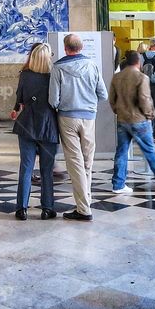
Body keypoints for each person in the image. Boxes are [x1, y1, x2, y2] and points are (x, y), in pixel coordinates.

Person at [49, 33, 108, 221]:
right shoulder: (92, 65)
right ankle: (85, 203)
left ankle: (84, 209)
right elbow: (103, 94)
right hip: (89, 117)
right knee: (87, 162)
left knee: (74, 162)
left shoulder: (58, 67)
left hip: (67, 117)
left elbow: (53, 100)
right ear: (81, 48)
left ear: (66, 48)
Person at [109, 51, 155, 194]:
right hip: (139, 120)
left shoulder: (117, 77)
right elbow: (145, 99)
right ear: (138, 62)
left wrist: (118, 110)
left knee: (121, 152)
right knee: (149, 150)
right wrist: (150, 114)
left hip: (122, 119)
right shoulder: (141, 77)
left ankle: (118, 184)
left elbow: (112, 99)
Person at [10, 43, 58, 220]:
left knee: (26, 168)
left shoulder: (25, 75)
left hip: (27, 124)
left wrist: (16, 109)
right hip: (48, 124)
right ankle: (47, 208)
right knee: (46, 170)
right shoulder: (53, 76)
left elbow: (20, 98)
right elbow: (57, 101)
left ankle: (21, 208)